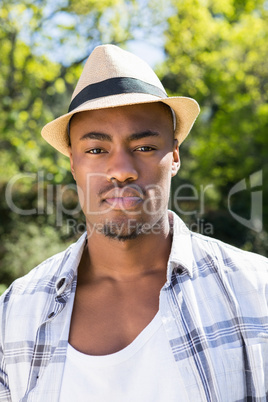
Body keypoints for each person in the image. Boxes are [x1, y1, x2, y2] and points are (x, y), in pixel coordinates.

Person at [0, 44, 267, 402]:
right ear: (73, 164)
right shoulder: (15, 313)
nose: (121, 170)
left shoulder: (257, 292)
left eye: (143, 147)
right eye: (96, 150)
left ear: (173, 156)